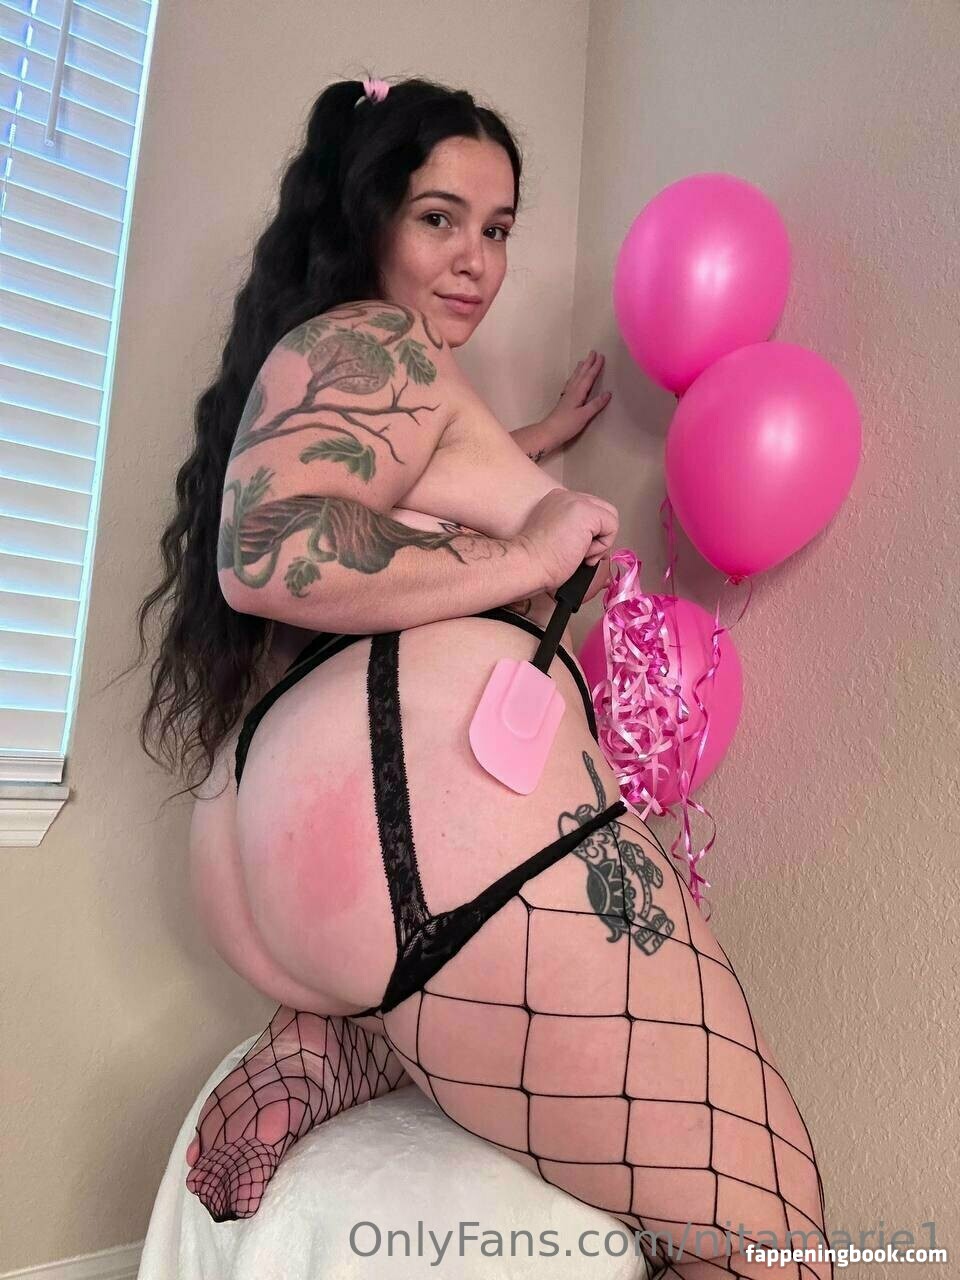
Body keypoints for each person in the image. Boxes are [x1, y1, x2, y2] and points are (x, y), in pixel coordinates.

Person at [136, 77, 831, 1278]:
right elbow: (266, 547)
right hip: (433, 833)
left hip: (290, 837)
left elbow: (386, 495)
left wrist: (532, 450)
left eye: (498, 228)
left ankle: (335, 1035)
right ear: (367, 219)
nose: (476, 259)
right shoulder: (379, 343)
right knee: (773, 1227)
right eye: (438, 218)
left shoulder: (360, 364)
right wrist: (531, 549)